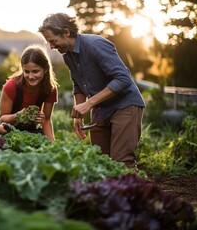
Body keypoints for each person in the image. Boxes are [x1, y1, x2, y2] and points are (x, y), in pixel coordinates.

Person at [38, 13, 145, 168]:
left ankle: (142, 192)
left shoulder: (95, 45)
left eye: (53, 41)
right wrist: (79, 114)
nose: (52, 47)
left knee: (122, 163)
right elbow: (78, 84)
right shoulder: (68, 55)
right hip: (101, 110)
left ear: (66, 32)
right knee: (100, 162)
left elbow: (123, 79)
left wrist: (89, 104)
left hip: (124, 106)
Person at [0, 44, 58, 141]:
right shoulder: (11, 86)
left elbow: (46, 120)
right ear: (22, 68)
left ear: (45, 69)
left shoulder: (50, 89)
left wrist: (52, 144)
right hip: (9, 132)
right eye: (27, 71)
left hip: (31, 131)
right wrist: (19, 116)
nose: (31, 76)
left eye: (35, 71)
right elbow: (1, 119)